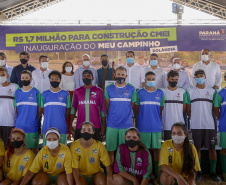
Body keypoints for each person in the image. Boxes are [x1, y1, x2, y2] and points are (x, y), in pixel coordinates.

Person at [187, 69, 221, 182]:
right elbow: (188, 109)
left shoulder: (212, 91)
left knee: (212, 148)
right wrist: (193, 118)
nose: (199, 78)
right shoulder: (190, 91)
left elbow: (214, 108)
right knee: (197, 149)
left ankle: (213, 172)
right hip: (196, 124)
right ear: (194, 78)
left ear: (205, 77)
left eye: (201, 76)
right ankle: (199, 172)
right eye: (197, 76)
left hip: (209, 124)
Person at [104, 66, 137, 163]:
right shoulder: (108, 88)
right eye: (118, 74)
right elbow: (107, 107)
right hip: (112, 124)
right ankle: (111, 173)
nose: (120, 76)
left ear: (126, 76)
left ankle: (123, 171)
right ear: (114, 75)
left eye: (122, 74)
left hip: (126, 125)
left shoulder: (132, 88)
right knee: (110, 150)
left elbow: (132, 106)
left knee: (124, 151)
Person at [135, 71, 165, 177]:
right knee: (144, 151)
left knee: (157, 150)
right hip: (143, 127)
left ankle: (157, 173)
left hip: (156, 127)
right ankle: (146, 173)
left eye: (153, 79)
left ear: (155, 80)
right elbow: (137, 109)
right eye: (149, 79)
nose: (151, 81)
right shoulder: (139, 93)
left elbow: (160, 110)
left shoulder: (160, 93)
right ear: (145, 80)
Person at [70, 70, 106, 141]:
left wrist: (104, 125)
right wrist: (70, 125)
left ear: (93, 78)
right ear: (82, 78)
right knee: (79, 149)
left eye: (88, 76)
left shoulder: (98, 91)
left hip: (96, 126)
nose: (86, 77)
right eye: (84, 76)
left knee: (96, 149)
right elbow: (73, 108)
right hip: (80, 126)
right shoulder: (77, 91)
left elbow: (103, 109)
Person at [14, 70, 42, 155]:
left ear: (31, 79)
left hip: (32, 126)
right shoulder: (18, 92)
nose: (24, 79)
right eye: (23, 78)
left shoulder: (36, 91)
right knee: (20, 149)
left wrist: (35, 120)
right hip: (19, 126)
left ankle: (35, 168)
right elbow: (17, 109)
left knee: (34, 149)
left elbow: (40, 108)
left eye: (26, 78)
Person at [41, 70, 71, 146]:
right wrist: (49, 117)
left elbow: (68, 110)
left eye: (56, 79)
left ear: (60, 80)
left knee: (62, 149)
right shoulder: (44, 94)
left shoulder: (65, 94)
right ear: (49, 80)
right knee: (47, 149)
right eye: (52, 79)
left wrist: (61, 118)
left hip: (61, 125)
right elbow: (42, 110)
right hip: (47, 125)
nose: (54, 80)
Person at [161, 70, 188, 140]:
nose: (174, 81)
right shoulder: (162, 91)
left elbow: (184, 107)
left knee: (180, 146)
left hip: (179, 124)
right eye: (172, 79)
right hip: (166, 124)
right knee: (169, 147)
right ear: (167, 79)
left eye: (176, 79)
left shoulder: (183, 91)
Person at [0, 67, 19, 147]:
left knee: (9, 147)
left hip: (10, 122)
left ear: (7, 75)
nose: (1, 77)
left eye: (3, 75)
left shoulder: (15, 87)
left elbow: (18, 106)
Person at [214, 73, 226, 181]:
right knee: (224, 149)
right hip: (224, 126)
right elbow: (216, 109)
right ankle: (224, 172)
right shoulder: (220, 94)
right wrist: (222, 119)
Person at [60, 61, 75, 140]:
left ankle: (71, 131)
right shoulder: (61, 76)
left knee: (72, 114)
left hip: (74, 95)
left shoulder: (75, 75)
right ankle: (66, 133)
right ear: (64, 67)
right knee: (66, 114)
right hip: (65, 96)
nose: (68, 66)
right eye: (67, 65)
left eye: (70, 65)